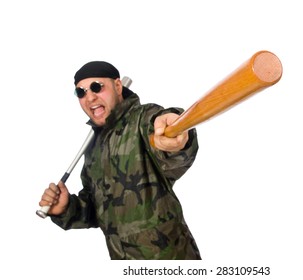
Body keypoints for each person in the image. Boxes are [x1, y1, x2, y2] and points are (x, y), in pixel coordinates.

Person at [38, 61, 201, 260]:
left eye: (97, 87)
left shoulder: (141, 120)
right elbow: (95, 209)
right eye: (81, 92)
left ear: (117, 86)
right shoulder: (93, 148)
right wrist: (65, 208)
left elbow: (165, 130)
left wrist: (175, 133)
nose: (90, 97)